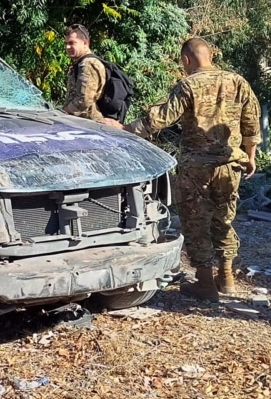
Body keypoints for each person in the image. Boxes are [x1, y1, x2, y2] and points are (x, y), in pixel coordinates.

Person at [112, 38, 261, 301]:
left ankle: (205, 282)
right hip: (230, 164)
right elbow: (252, 123)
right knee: (224, 219)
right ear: (210, 55)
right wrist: (250, 157)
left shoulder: (187, 85)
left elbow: (160, 118)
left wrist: (126, 130)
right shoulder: (238, 81)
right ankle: (225, 277)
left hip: (196, 168)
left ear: (186, 60)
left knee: (196, 222)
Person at [62, 24, 108, 122]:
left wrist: (62, 113)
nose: (67, 47)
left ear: (85, 43)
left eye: (72, 43)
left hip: (89, 124)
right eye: (66, 43)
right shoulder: (81, 63)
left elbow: (84, 100)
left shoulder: (88, 64)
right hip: (79, 122)